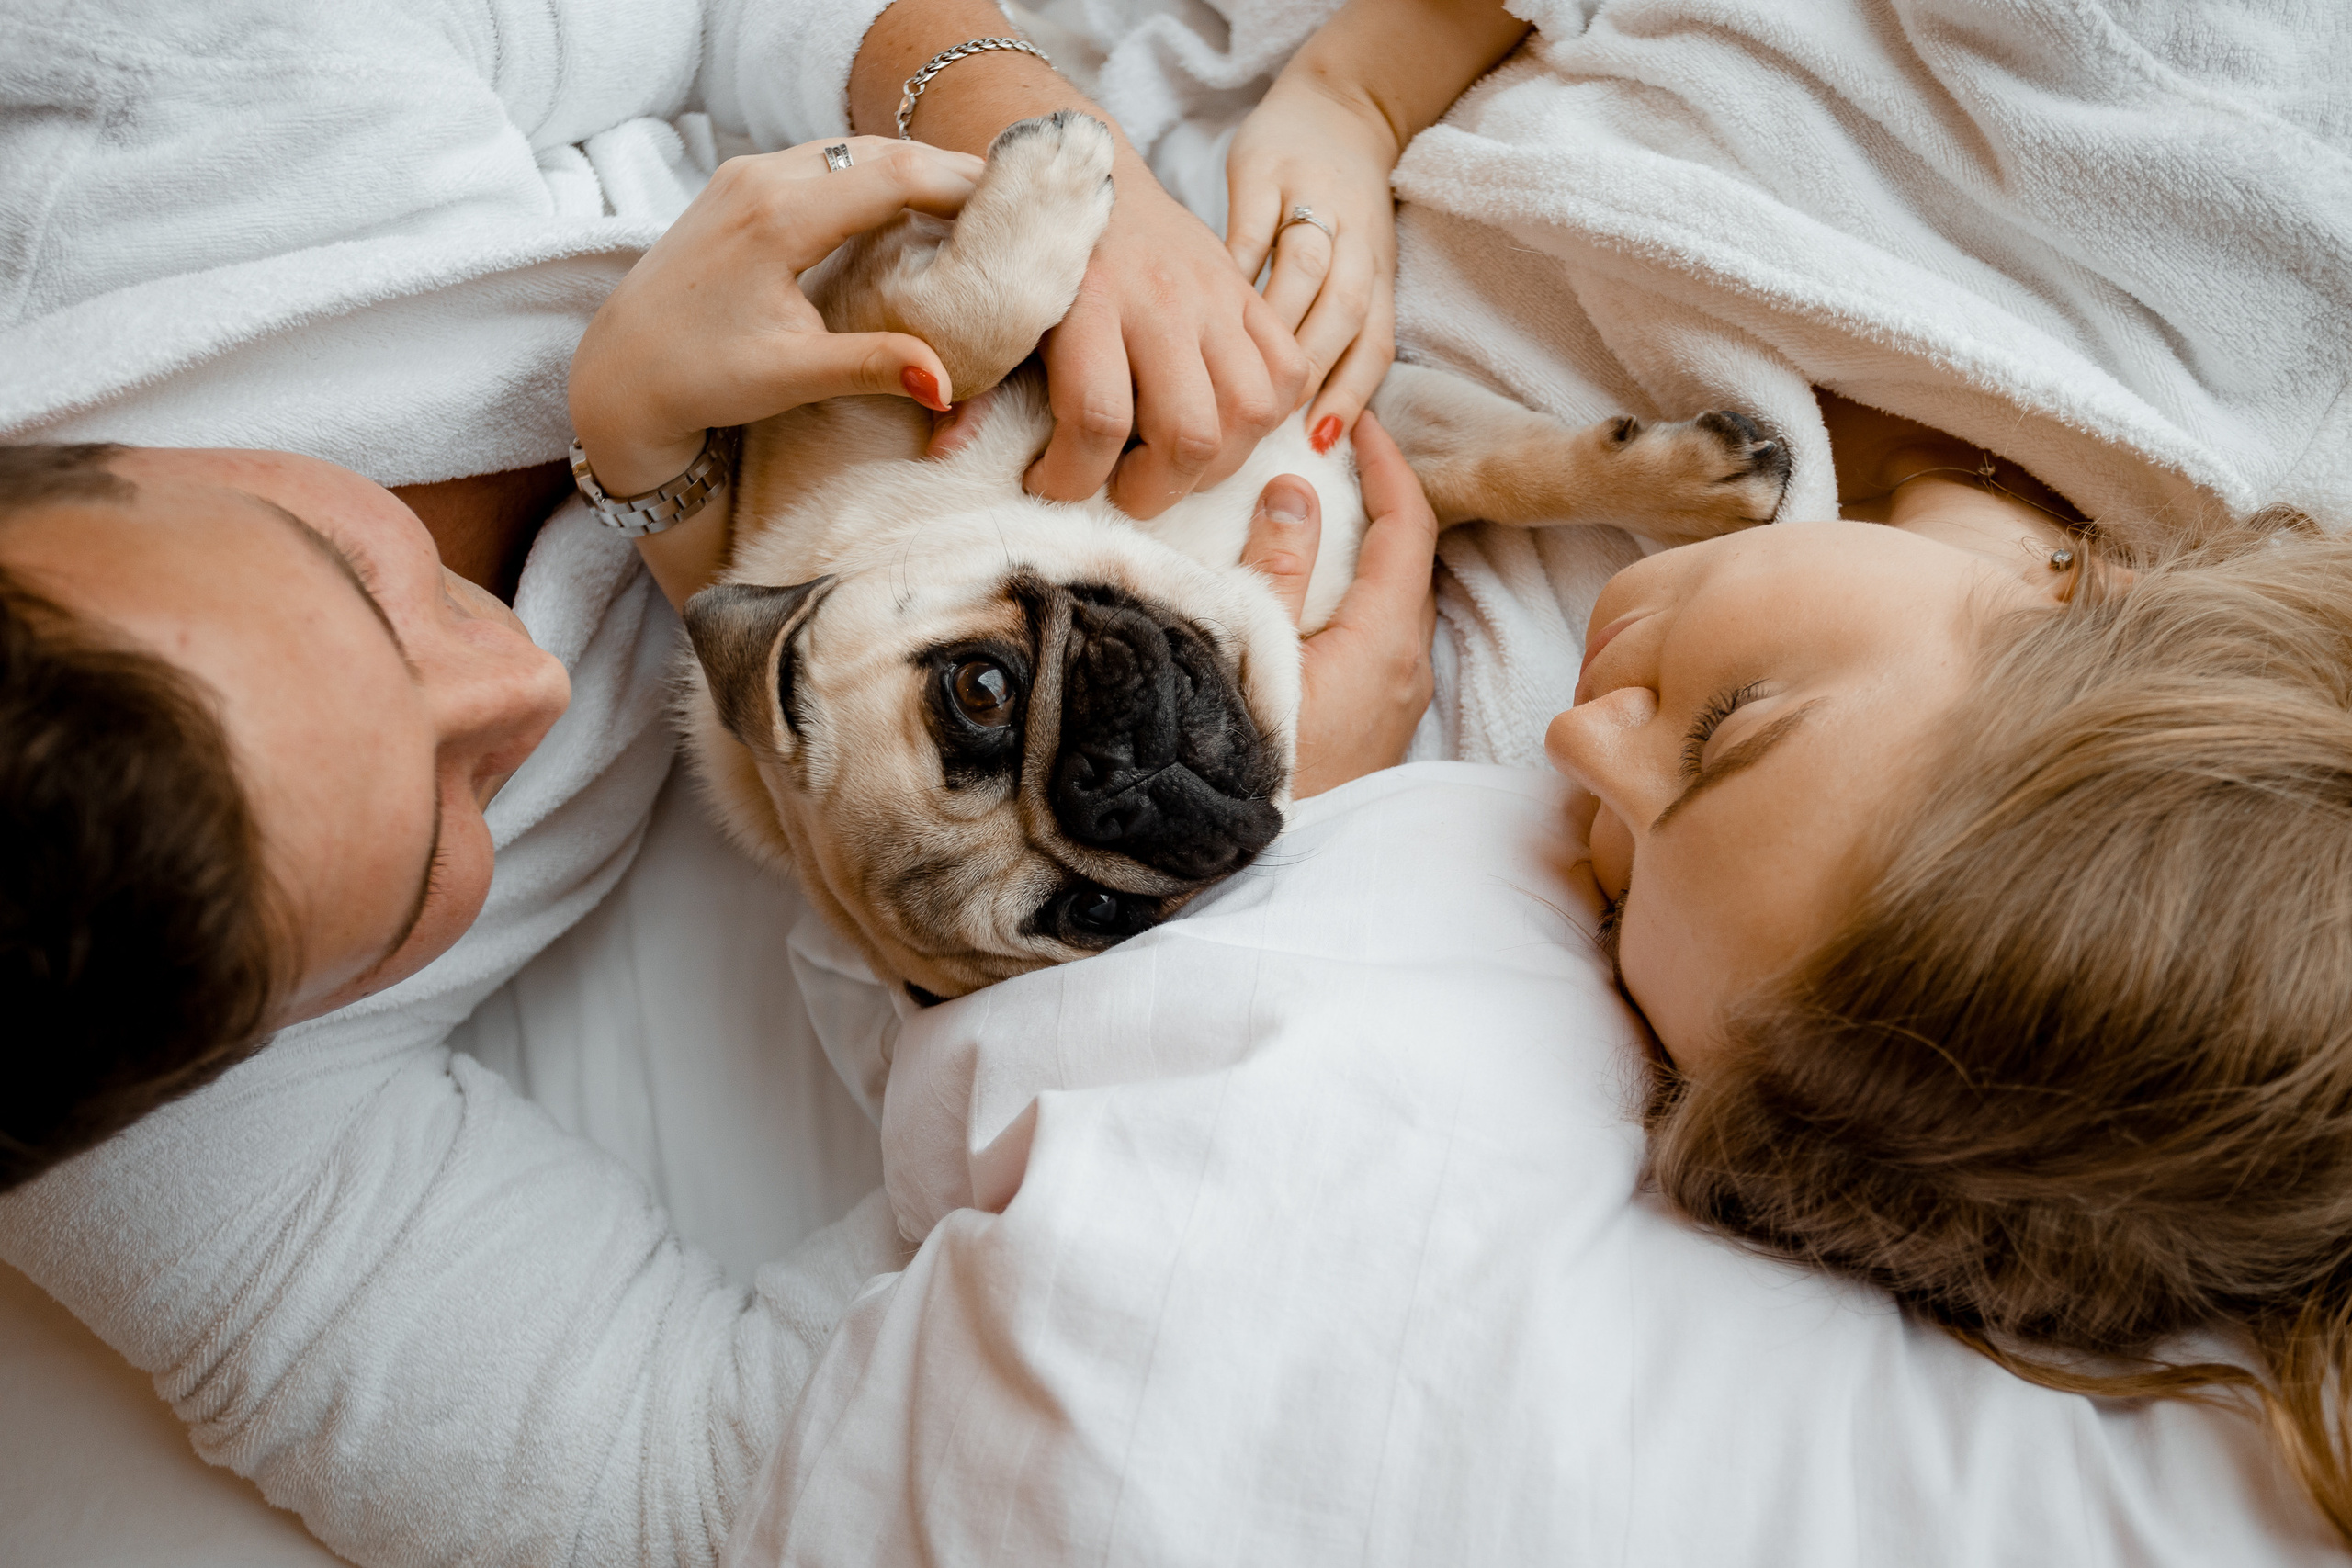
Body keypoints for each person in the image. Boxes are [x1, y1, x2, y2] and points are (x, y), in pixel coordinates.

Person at [0, 5, 1440, 1562]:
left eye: (351, 574)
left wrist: (1022, 149)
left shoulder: (155, 91)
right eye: (438, 838)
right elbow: (702, 1497)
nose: (525, 683)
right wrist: (1225, 901)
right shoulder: (163, 1149)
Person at [1219, 0, 2352, 1545]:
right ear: (2087, 605)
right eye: (1731, 728)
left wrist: (1311, 803)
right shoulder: (2196, 178)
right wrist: (1355, 89)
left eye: (1616, 889)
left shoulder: (1490, 713)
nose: (1579, 746)